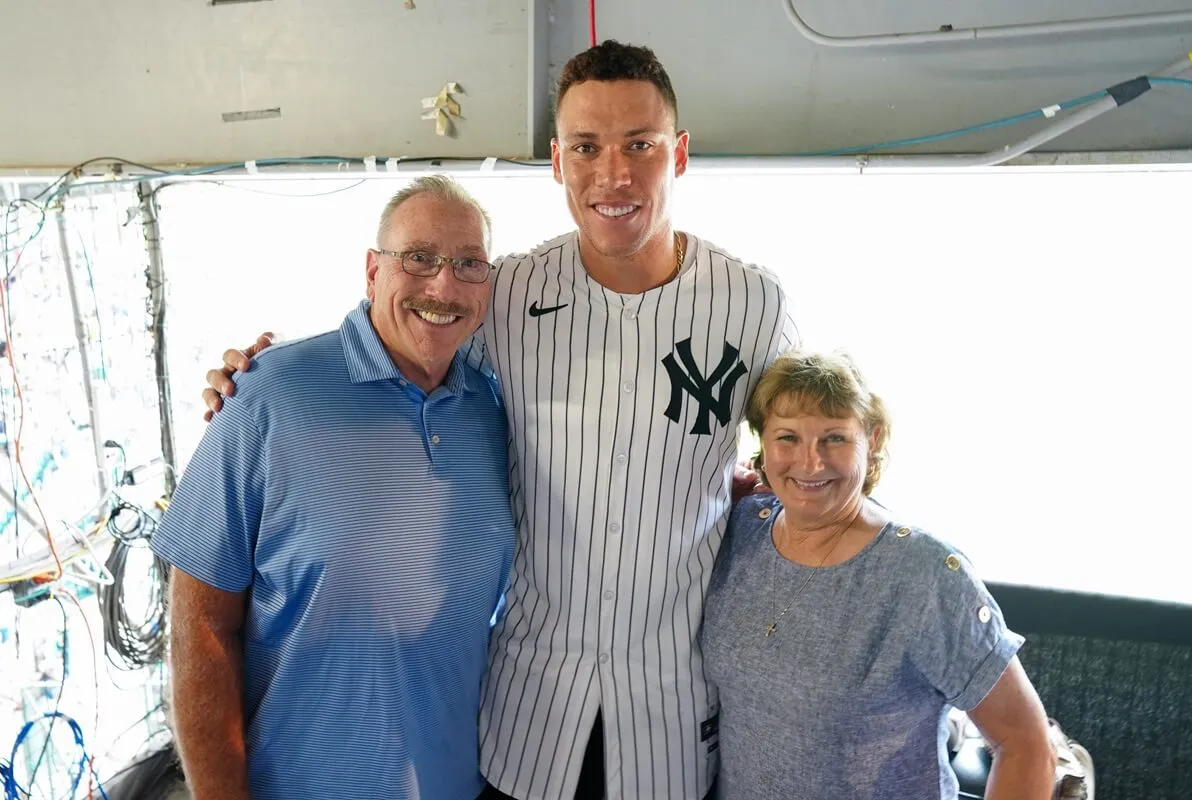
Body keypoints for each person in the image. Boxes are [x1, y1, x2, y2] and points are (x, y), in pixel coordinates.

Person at [204, 41, 795, 800]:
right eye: (586, 146)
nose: (613, 173)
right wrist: (256, 375)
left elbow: (798, 443)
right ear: (557, 161)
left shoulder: (755, 305)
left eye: (639, 145)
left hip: (672, 726)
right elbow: (404, 337)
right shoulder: (508, 293)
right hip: (522, 724)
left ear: (678, 154)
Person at [152, 176, 515, 800]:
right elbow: (201, 627)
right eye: (419, 258)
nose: (443, 285)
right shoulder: (266, 396)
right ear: (372, 272)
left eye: (468, 265)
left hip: (455, 784)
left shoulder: (493, 409)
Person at [701, 350, 1057, 799]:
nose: (810, 463)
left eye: (833, 438)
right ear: (762, 443)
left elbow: (1026, 744)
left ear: (872, 439)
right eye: (787, 437)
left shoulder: (925, 575)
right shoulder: (742, 529)